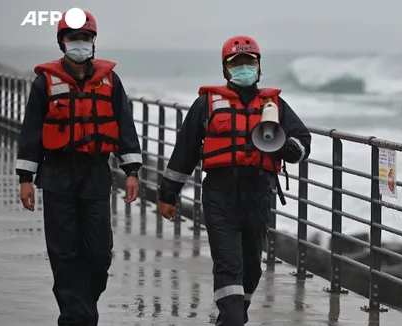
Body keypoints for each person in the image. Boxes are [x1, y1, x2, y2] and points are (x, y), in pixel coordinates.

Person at [157, 35, 311, 325]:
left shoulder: (274, 104)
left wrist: (287, 148)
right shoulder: (207, 104)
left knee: (251, 267)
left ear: (259, 66)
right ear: (226, 69)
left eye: (249, 62)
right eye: (236, 63)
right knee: (229, 264)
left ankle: (233, 317)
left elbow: (303, 141)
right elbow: (185, 152)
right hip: (220, 194)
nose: (244, 68)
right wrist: (168, 195)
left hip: (259, 194)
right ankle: (232, 318)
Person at [15, 10, 142, 326]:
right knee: (65, 254)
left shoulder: (110, 81)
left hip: (96, 174)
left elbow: (125, 126)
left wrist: (132, 172)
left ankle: (83, 308)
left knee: (99, 254)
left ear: (93, 41)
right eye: (73, 38)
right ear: (62, 42)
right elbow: (31, 131)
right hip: (57, 175)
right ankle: (75, 317)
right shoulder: (44, 82)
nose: (79, 44)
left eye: (85, 38)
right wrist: (25, 179)